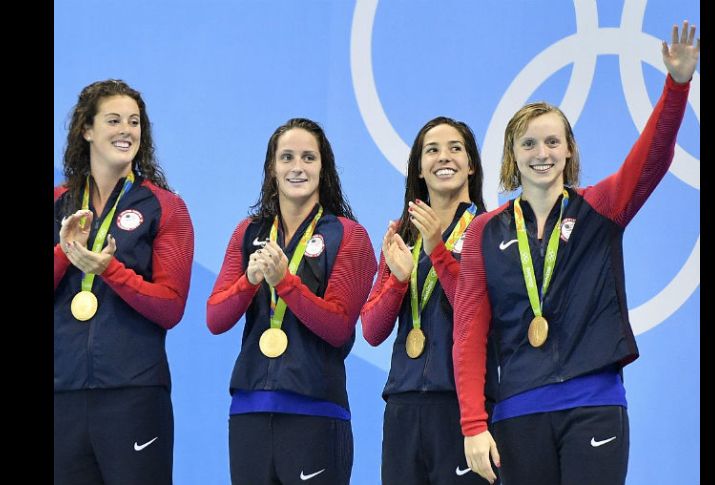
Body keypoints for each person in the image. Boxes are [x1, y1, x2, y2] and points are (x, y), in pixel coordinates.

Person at [452, 21, 700, 485]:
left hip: (595, 406)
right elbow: (468, 335)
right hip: (518, 411)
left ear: (569, 151)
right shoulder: (484, 232)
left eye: (552, 142)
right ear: (512, 155)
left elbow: (653, 157)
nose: (540, 152)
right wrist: (473, 425)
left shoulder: (600, 208)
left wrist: (677, 85)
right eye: (528, 143)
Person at [206, 118, 377, 485]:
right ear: (272, 168)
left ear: (323, 167)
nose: (297, 167)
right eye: (286, 157)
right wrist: (248, 282)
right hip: (249, 412)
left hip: (316, 413)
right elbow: (216, 318)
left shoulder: (349, 236)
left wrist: (285, 282)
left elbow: (338, 327)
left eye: (308, 158)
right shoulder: (248, 232)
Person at [54, 79, 195, 485]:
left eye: (134, 122)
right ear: (87, 130)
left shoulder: (165, 207)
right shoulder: (59, 203)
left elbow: (170, 306)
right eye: (113, 120)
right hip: (62, 393)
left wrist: (109, 271)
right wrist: (67, 252)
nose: (126, 130)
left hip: (133, 394)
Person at [360, 116, 498, 484]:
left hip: (464, 406)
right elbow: (372, 330)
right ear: (419, 169)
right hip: (404, 406)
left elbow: (478, 312)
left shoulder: (491, 230)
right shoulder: (403, 235)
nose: (444, 157)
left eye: (456, 148)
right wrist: (398, 281)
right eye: (432, 150)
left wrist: (438, 249)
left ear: (471, 165)